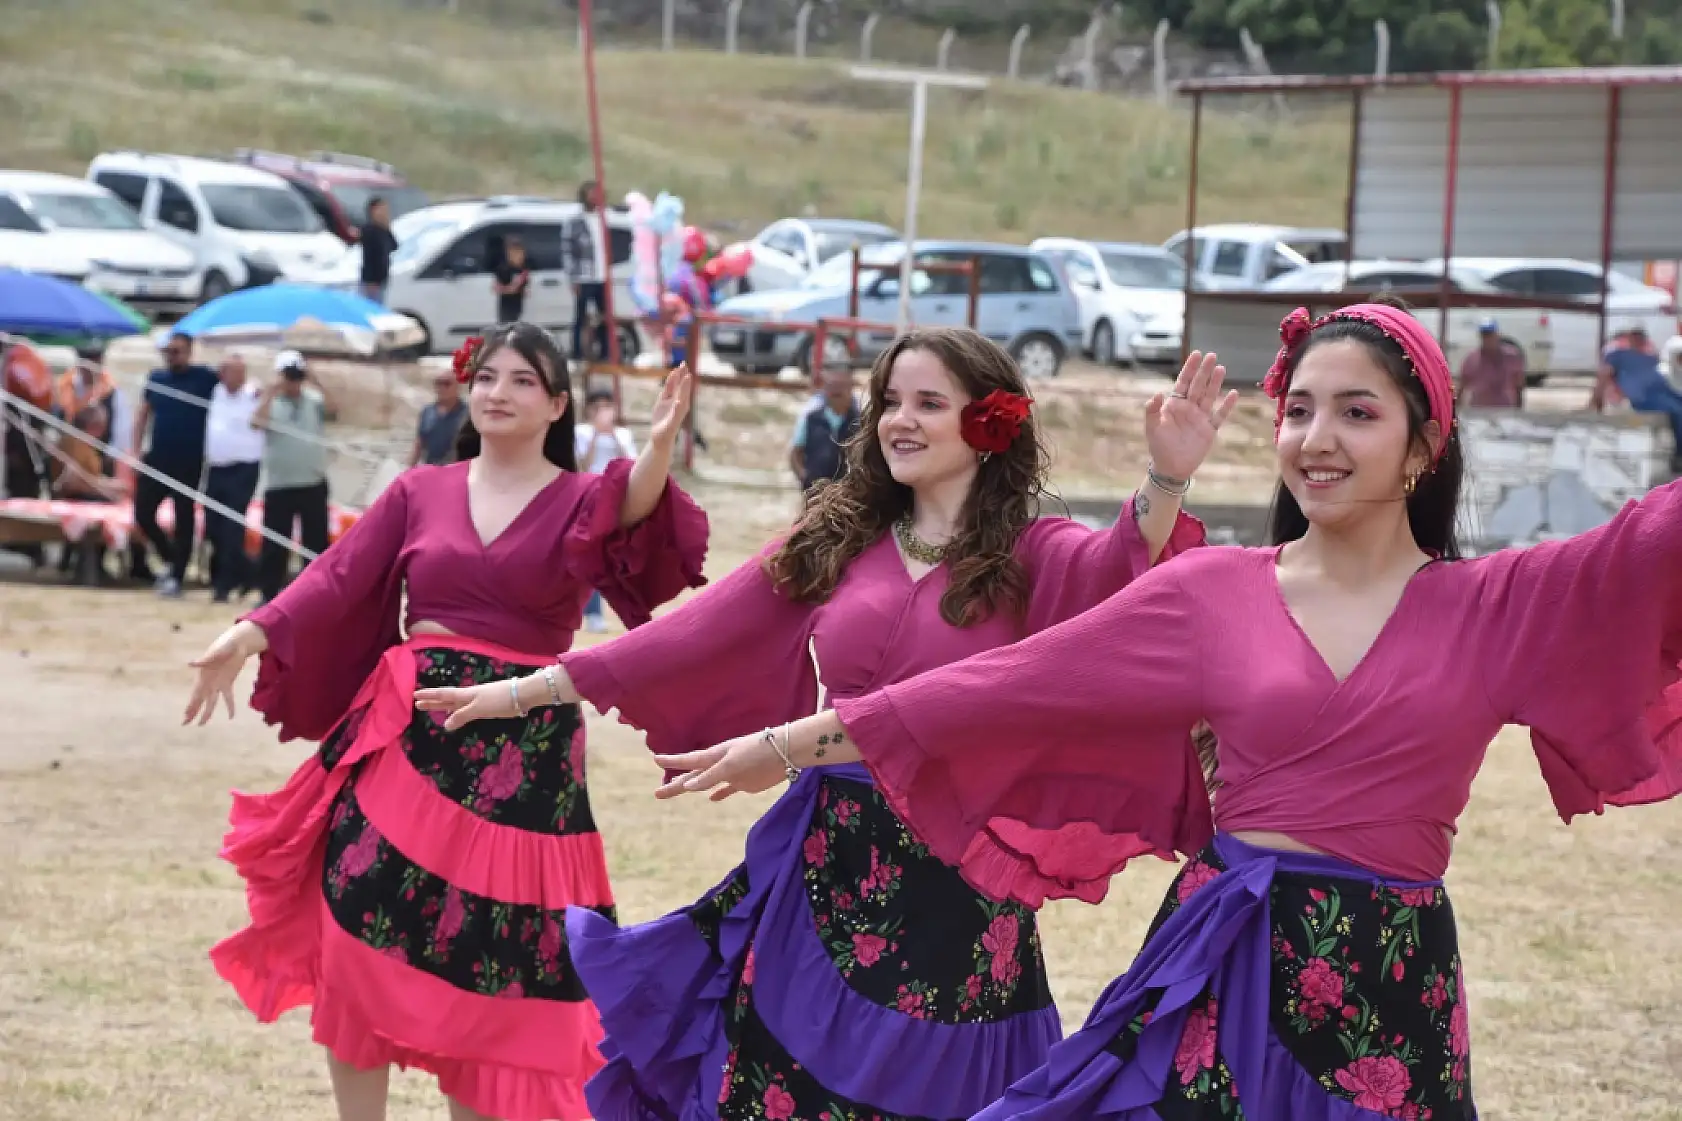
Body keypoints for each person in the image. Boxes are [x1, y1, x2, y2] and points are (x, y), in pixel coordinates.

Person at [652, 301, 1682, 1121]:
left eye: (1356, 412)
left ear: (1422, 444)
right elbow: (991, 691)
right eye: (1299, 410)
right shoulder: (1213, 591)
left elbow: (1649, 547)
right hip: (1219, 960)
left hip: (1390, 977)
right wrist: (784, 744)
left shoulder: (1496, 604)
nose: (1316, 439)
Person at [415, 326, 1235, 1121]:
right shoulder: (839, 536)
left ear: (988, 424)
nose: (900, 420)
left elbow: (1117, 563)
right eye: (890, 401)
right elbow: (692, 633)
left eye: (928, 402)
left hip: (959, 879)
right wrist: (526, 690)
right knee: (777, 1086)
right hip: (824, 860)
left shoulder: (1034, 553)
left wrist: (1165, 478)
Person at [185, 322, 708, 1121]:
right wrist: (249, 631)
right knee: (358, 919)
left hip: (525, 750)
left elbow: (636, 506)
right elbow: (334, 577)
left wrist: (662, 444)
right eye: (487, 376)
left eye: (522, 381)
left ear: (557, 404)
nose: (498, 391)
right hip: (411, 732)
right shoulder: (418, 490)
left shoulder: (580, 498)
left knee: (493, 957)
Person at [131, 330, 220, 596]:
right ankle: (170, 557)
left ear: (189, 351)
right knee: (143, 512)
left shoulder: (204, 378)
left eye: (177, 351)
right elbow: (143, 414)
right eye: (167, 352)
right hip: (158, 456)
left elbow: (230, 384)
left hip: (189, 459)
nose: (171, 356)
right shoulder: (157, 378)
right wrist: (136, 450)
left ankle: (178, 574)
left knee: (184, 516)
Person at [253, 350, 335, 604]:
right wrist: (270, 392)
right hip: (280, 484)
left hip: (312, 482)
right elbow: (257, 423)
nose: (293, 381)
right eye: (288, 376)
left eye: (296, 376)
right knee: (275, 544)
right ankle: (268, 593)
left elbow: (334, 411)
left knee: (315, 543)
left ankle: (317, 594)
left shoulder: (314, 399)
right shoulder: (269, 401)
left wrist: (316, 380)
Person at [573, 390, 638, 633]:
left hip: (616, 497)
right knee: (594, 554)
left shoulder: (622, 434)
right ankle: (592, 612)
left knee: (613, 557)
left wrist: (614, 438)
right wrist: (594, 438)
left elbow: (632, 464)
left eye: (606, 405)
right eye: (597, 406)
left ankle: (617, 610)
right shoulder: (580, 432)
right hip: (590, 495)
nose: (602, 411)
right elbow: (581, 464)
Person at [203, 355, 265, 603]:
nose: (236, 378)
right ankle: (249, 572)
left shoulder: (253, 394)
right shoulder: (214, 392)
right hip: (216, 468)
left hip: (244, 468)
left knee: (231, 526)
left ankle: (223, 584)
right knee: (213, 526)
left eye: (240, 372)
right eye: (231, 372)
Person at [1598, 322, 1682, 470]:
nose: (1639, 340)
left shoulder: (1649, 356)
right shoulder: (1616, 354)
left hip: (1662, 389)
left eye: (1641, 337)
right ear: (1627, 337)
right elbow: (1605, 375)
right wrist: (1597, 401)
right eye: (1635, 336)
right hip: (1644, 396)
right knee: (1677, 410)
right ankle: (1680, 454)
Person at [789, 365, 860, 492]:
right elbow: (795, 453)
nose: (836, 391)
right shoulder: (811, 418)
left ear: (850, 388)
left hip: (849, 495)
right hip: (815, 494)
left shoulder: (860, 421)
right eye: (832, 386)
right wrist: (804, 477)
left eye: (841, 386)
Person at [563, 182, 609, 362]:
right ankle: (577, 354)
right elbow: (567, 251)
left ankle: (605, 353)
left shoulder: (604, 219)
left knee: (604, 317)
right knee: (580, 317)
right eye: (592, 194)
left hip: (602, 276)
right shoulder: (575, 221)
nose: (595, 197)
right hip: (584, 277)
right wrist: (572, 278)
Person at [1455, 317, 1524, 409]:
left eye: (1490, 334)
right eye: (1484, 335)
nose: (1487, 339)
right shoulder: (1472, 358)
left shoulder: (1511, 356)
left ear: (1497, 335)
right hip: (1479, 409)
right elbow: (1462, 387)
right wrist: (1457, 410)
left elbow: (1518, 385)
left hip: (1504, 409)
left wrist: (1518, 409)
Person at [411, 368, 468, 467]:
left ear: (458, 386)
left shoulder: (467, 414)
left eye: (446, 384)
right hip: (431, 469)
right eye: (438, 383)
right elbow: (419, 443)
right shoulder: (427, 412)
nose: (441, 387)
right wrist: (409, 469)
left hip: (457, 470)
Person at [358, 197, 398, 305]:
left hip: (382, 279)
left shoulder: (383, 230)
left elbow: (394, 246)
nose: (385, 212)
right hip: (371, 281)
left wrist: (387, 227)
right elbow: (369, 256)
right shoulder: (368, 230)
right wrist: (371, 281)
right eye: (382, 209)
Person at [494, 237, 531, 325]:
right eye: (513, 252)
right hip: (506, 308)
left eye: (520, 252)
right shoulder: (503, 269)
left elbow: (526, 289)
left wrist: (519, 286)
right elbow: (497, 287)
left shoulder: (525, 268)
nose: (518, 256)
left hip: (518, 310)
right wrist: (511, 288)